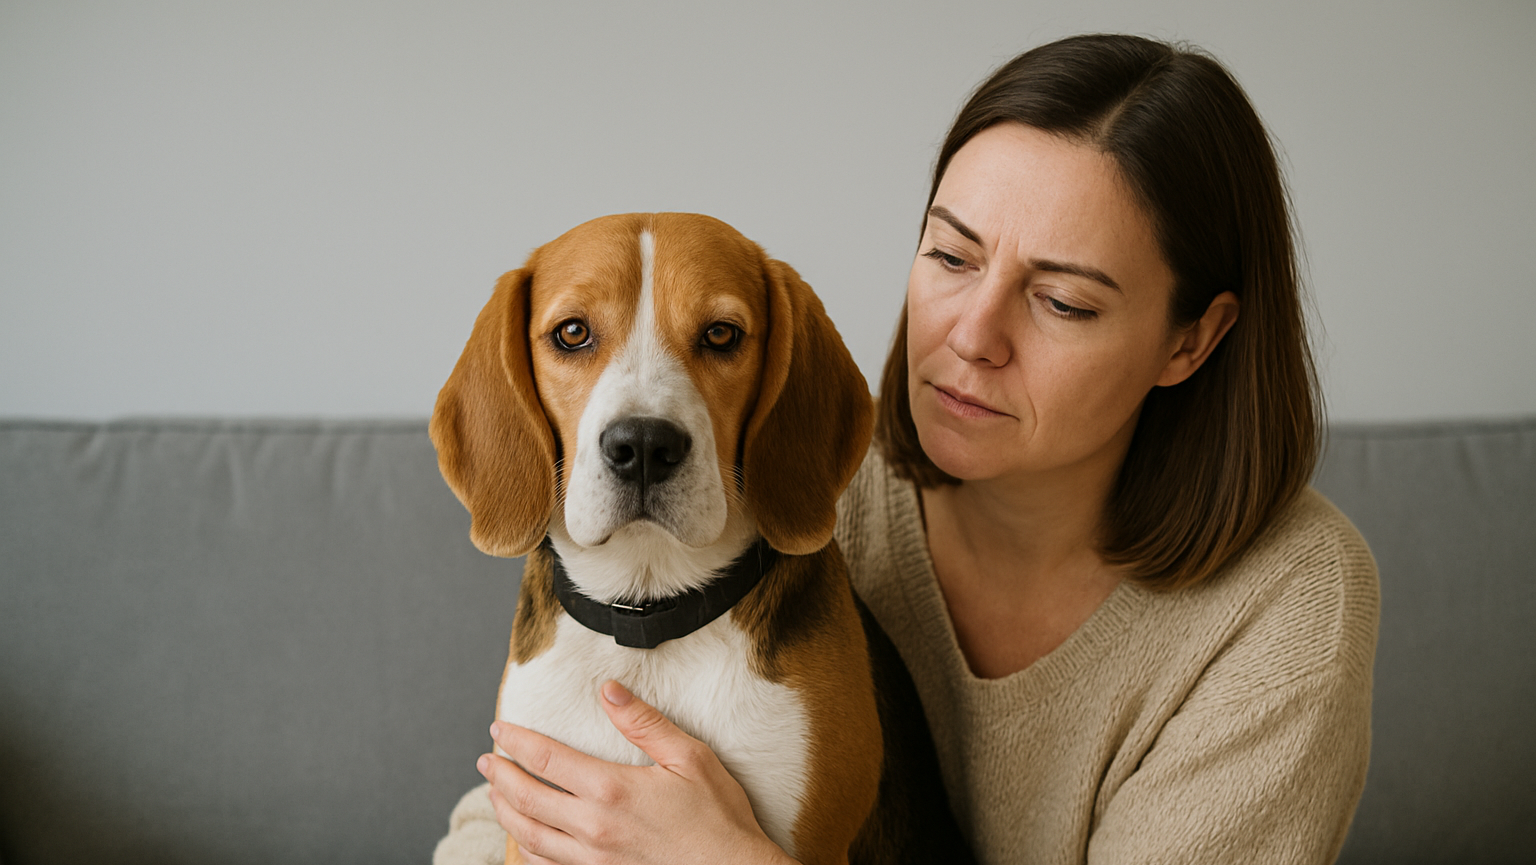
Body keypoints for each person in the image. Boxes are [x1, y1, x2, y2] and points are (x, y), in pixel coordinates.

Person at [435, 33, 1379, 865]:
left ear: (1191, 339)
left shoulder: (1285, 608)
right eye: (952, 255)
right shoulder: (791, 470)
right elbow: (544, 796)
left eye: (1063, 301)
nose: (972, 336)